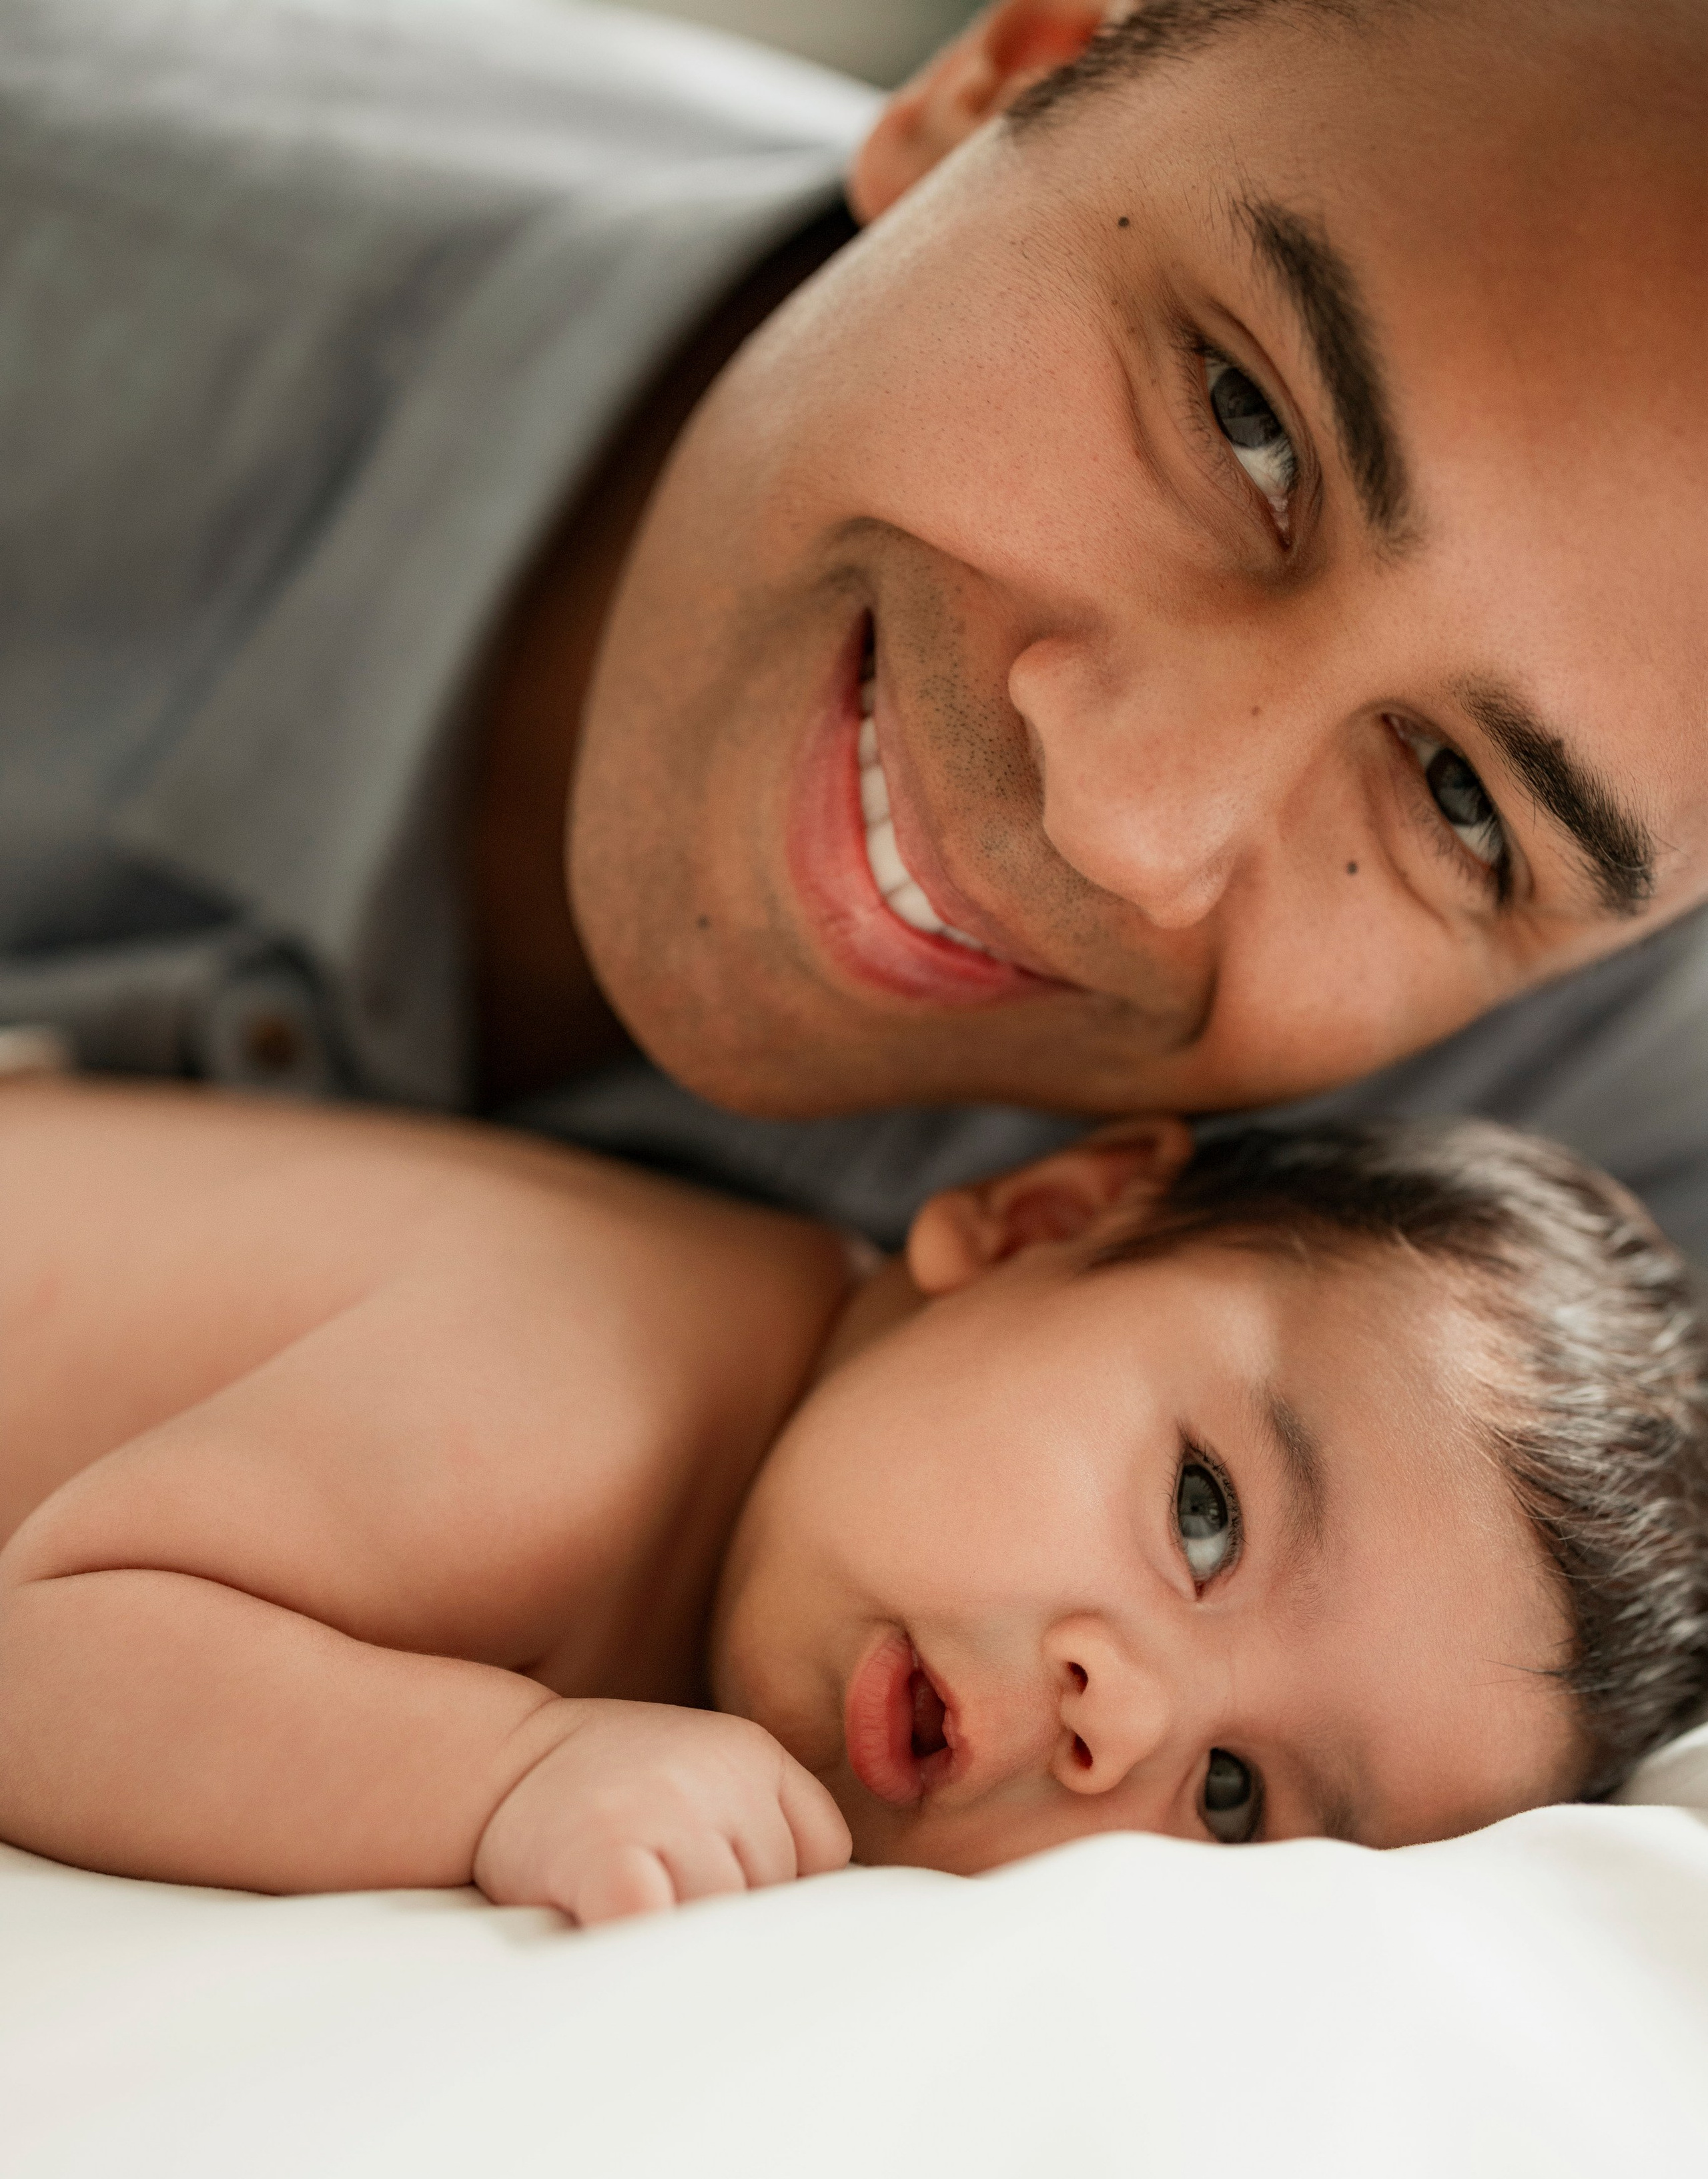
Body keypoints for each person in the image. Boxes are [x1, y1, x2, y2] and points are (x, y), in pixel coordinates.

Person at [1, 0, 1705, 1255]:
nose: (1128, 820)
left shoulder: (1612, 1199)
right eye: (1245, 425)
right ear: (1003, 80)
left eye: (1460, 804)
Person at [2, 1072, 1703, 1921]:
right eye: (1202, 1515)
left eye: (1239, 1798)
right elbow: (50, 1653)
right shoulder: (580, 1388)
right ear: (1042, 1221)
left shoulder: (771, 1515)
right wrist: (503, 1774)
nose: (1128, 1720)